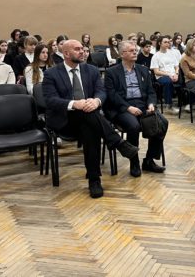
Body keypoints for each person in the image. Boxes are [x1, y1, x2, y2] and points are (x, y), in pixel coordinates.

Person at [42, 40, 139, 198]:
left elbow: (101, 91)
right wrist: (74, 104)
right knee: (88, 116)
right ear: (66, 53)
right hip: (64, 121)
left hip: (89, 118)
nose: (82, 52)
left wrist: (96, 101)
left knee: (90, 127)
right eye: (77, 49)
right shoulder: (52, 73)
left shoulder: (91, 70)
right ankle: (118, 143)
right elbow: (50, 100)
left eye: (83, 49)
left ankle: (94, 179)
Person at [104, 41, 168, 177]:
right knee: (133, 126)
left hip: (142, 105)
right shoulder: (111, 72)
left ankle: (149, 160)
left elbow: (151, 91)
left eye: (135, 50)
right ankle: (134, 162)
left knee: (162, 122)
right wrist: (128, 108)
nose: (135, 52)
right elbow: (112, 95)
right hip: (122, 107)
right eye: (131, 50)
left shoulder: (143, 70)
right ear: (122, 54)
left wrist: (151, 104)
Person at [150, 35, 180, 114]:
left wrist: (176, 73)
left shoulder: (171, 53)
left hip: (173, 74)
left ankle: (187, 103)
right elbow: (156, 71)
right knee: (168, 82)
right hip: (161, 76)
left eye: (168, 42)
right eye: (165, 42)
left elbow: (176, 66)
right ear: (160, 43)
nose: (167, 44)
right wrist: (169, 75)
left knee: (185, 80)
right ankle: (168, 105)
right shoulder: (156, 56)